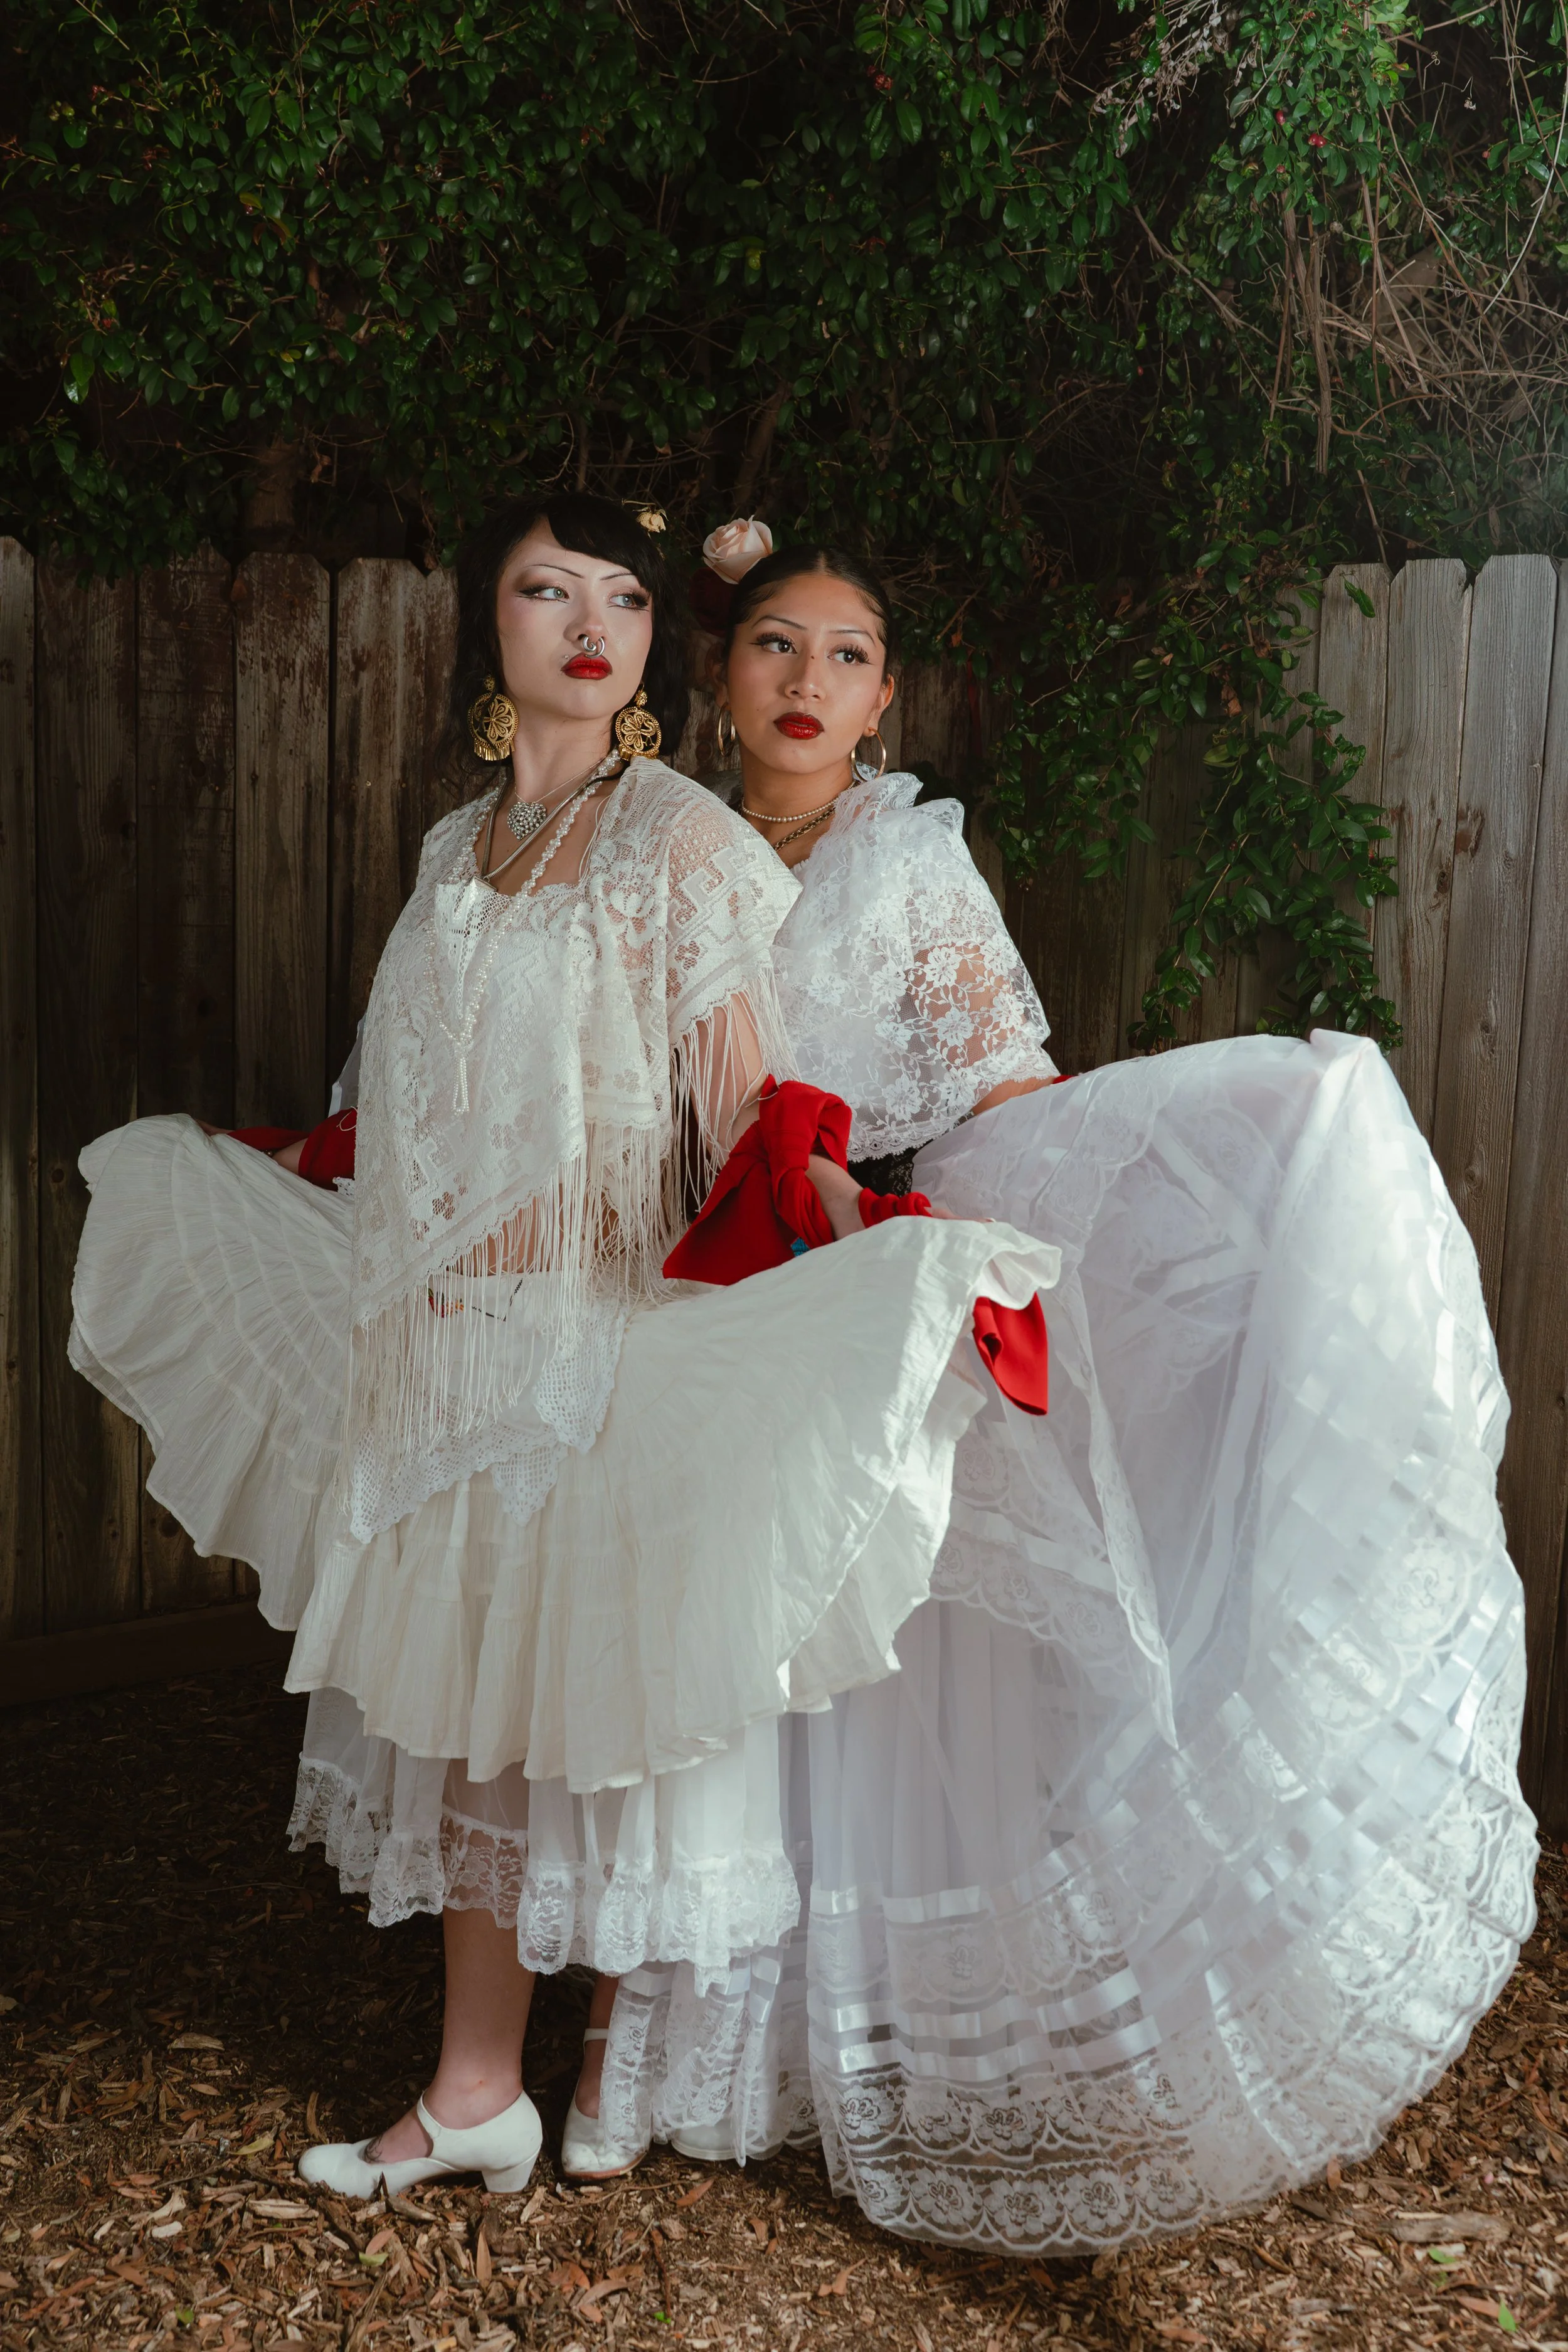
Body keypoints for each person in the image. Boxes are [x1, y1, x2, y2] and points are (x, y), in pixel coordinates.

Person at [66, 497, 1059, 2199]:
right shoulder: (458, 847)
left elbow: (735, 1111)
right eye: (546, 590)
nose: (587, 622)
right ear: (493, 627)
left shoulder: (678, 837)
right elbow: (416, 1105)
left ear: (653, 647)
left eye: (619, 596)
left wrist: (862, 1231)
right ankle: (473, 2091)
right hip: (438, 1352)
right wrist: (317, 1172)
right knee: (459, 1720)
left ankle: (597, 2060)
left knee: (552, 1726)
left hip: (583, 1342)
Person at [585, 530, 1537, 2253]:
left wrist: (1047, 1203)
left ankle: (905, 2035)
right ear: (719, 672)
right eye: (776, 644)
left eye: (848, 653)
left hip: (862, 1251)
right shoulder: (659, 850)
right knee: (734, 1658)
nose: (807, 680)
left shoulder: (905, 863)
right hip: (698, 1282)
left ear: (883, 698)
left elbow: (1006, 1090)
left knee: (880, 1657)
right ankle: (726, 2035)